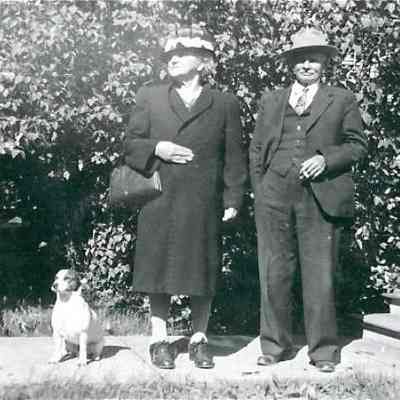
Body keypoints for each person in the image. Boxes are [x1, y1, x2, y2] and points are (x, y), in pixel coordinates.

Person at [123, 26, 247, 370]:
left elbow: (234, 156)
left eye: (181, 54)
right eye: (169, 56)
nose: (172, 59)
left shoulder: (224, 103)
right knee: (158, 268)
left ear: (203, 61)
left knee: (201, 269)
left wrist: (233, 198)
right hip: (159, 198)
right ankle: (159, 340)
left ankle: (199, 340)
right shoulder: (150, 96)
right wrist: (157, 147)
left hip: (203, 200)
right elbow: (130, 145)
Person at [249, 27, 368, 373]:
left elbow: (357, 145)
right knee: (274, 272)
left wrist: (326, 160)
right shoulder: (272, 100)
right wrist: (260, 190)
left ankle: (324, 352)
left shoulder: (341, 99)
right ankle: (275, 346)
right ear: (291, 64)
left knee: (320, 276)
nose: (307, 65)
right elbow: (257, 149)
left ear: (324, 63)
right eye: (300, 59)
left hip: (320, 197)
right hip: (274, 196)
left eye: (313, 59)